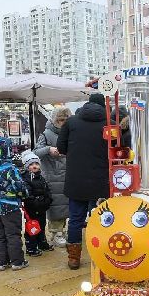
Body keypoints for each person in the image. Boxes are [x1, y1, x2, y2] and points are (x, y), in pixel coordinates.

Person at [57, 93, 109, 270]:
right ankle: (102, 255)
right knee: (102, 219)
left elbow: (61, 147)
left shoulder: (71, 122)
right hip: (101, 181)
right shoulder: (109, 124)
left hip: (76, 179)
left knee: (75, 220)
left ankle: (74, 258)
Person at [0, 137, 29, 271]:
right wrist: (24, 194)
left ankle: (1, 262)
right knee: (13, 234)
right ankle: (17, 262)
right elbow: (18, 185)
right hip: (10, 207)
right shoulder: (10, 168)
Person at [33, 106, 70, 247]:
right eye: (60, 120)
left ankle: (61, 231)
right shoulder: (46, 134)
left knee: (64, 204)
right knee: (55, 205)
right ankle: (56, 233)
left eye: (65, 120)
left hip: (66, 174)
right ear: (54, 120)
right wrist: (48, 149)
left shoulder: (70, 132)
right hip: (52, 175)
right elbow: (36, 152)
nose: (63, 123)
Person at [21, 152, 53, 256]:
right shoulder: (26, 179)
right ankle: (31, 248)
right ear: (27, 166)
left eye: (36, 163)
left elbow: (47, 191)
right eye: (31, 164)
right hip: (32, 210)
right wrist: (37, 202)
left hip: (42, 208)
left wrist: (48, 200)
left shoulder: (41, 177)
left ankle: (42, 244)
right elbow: (27, 195)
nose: (34, 166)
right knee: (32, 228)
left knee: (42, 226)